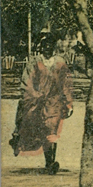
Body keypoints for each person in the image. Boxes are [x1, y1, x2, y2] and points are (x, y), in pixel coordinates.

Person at [9, 33, 73, 175]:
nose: (47, 48)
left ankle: (50, 163)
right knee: (33, 128)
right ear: (41, 47)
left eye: (50, 46)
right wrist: (35, 95)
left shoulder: (60, 63)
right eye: (45, 46)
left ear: (53, 48)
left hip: (54, 103)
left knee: (51, 131)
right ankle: (17, 138)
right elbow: (27, 82)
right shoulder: (34, 62)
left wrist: (69, 103)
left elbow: (66, 84)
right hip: (36, 101)